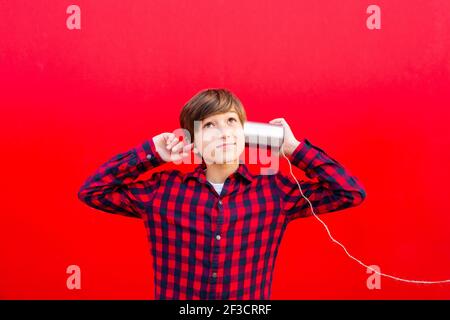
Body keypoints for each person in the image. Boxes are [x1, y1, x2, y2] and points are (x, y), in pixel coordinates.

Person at [77, 88, 366, 299]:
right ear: (193, 142)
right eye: (210, 125)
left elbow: (350, 192)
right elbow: (93, 191)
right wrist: (152, 153)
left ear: (246, 132)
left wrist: (292, 148)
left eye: (231, 121)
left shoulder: (274, 190)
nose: (224, 132)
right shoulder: (163, 190)